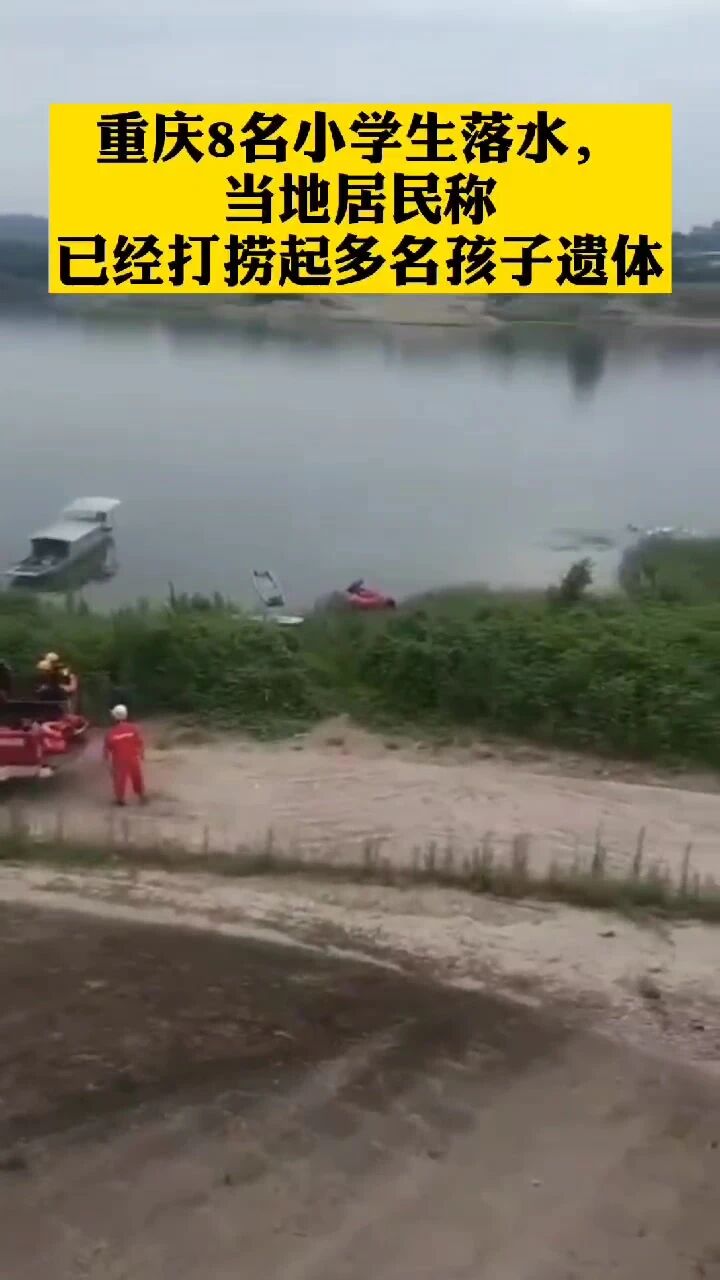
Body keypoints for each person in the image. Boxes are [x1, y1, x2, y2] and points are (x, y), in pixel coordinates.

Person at [103, 705, 146, 807]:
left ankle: (120, 799)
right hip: (132, 758)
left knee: (119, 779)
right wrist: (141, 754)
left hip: (119, 760)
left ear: (114, 717)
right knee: (137, 777)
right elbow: (139, 743)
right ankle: (141, 796)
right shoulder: (133, 728)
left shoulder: (111, 732)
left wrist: (109, 765)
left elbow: (107, 750)